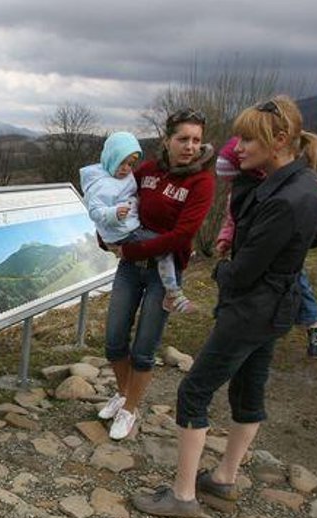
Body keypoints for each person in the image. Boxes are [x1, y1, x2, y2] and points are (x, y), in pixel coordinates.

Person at [132, 96, 317, 518]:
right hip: (277, 309)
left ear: (279, 140)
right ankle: (224, 479)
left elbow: (241, 272)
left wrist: (221, 270)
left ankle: (183, 495)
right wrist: (286, 252)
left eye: (247, 139)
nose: (237, 147)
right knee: (248, 391)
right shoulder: (304, 183)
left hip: (250, 308)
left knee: (194, 390)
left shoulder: (283, 197)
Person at [97, 109, 216, 440]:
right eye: (182, 139)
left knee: (144, 347)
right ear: (167, 140)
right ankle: (124, 395)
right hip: (129, 268)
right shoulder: (147, 170)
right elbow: (117, 202)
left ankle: (130, 409)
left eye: (196, 140)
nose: (190, 146)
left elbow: (182, 234)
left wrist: (131, 249)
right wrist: (105, 237)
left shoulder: (202, 182)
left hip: (165, 276)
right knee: (114, 340)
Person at [215, 136, 317, 360]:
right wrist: (226, 239)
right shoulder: (244, 191)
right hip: (262, 297)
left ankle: (314, 324)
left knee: (301, 283)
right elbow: (231, 220)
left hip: (261, 291)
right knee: (254, 370)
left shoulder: (283, 190)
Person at [80, 132, 198, 315]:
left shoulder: (121, 177)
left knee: (163, 249)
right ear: (111, 158)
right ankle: (173, 294)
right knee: (164, 249)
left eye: (131, 163)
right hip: (124, 233)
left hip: (130, 228)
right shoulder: (99, 185)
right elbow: (94, 212)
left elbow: (131, 192)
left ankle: (172, 294)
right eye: (122, 163)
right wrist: (114, 214)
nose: (127, 169)